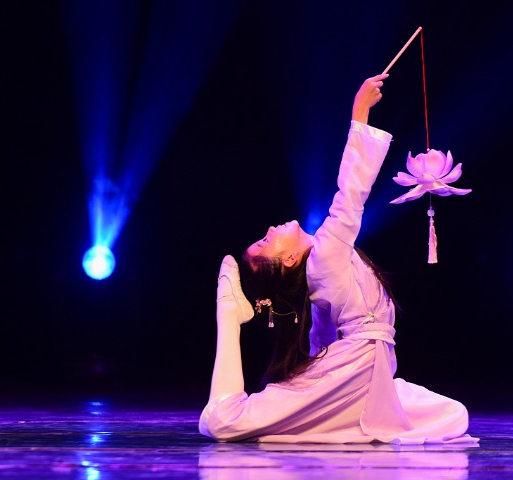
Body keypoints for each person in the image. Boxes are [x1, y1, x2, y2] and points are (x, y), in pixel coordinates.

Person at [199, 74, 476, 444]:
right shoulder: (326, 252)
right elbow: (351, 193)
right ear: (291, 259)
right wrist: (360, 113)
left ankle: (348, 416)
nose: (270, 229)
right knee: (223, 423)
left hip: (368, 369)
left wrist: (315, 379)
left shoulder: (318, 272)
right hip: (357, 366)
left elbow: (322, 338)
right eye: (266, 242)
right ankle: (229, 316)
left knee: (453, 415)